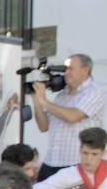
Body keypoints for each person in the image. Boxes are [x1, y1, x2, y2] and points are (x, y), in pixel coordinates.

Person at [32, 53, 106, 181]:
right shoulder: (62, 95)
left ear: (86, 70)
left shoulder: (95, 91)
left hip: (76, 164)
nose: (66, 72)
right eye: (65, 69)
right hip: (51, 163)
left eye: (71, 68)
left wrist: (44, 101)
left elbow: (73, 116)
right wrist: (36, 100)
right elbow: (43, 126)